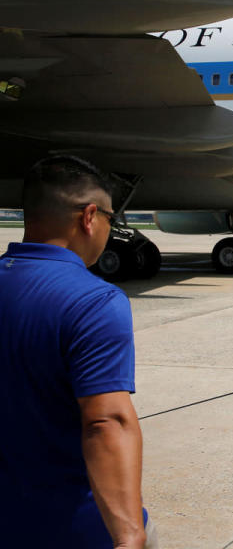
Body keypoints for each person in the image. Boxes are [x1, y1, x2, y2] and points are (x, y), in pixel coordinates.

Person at [0, 156, 157, 547]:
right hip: (70, 528)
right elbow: (106, 423)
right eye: (110, 218)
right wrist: (129, 536)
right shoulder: (94, 301)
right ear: (89, 217)